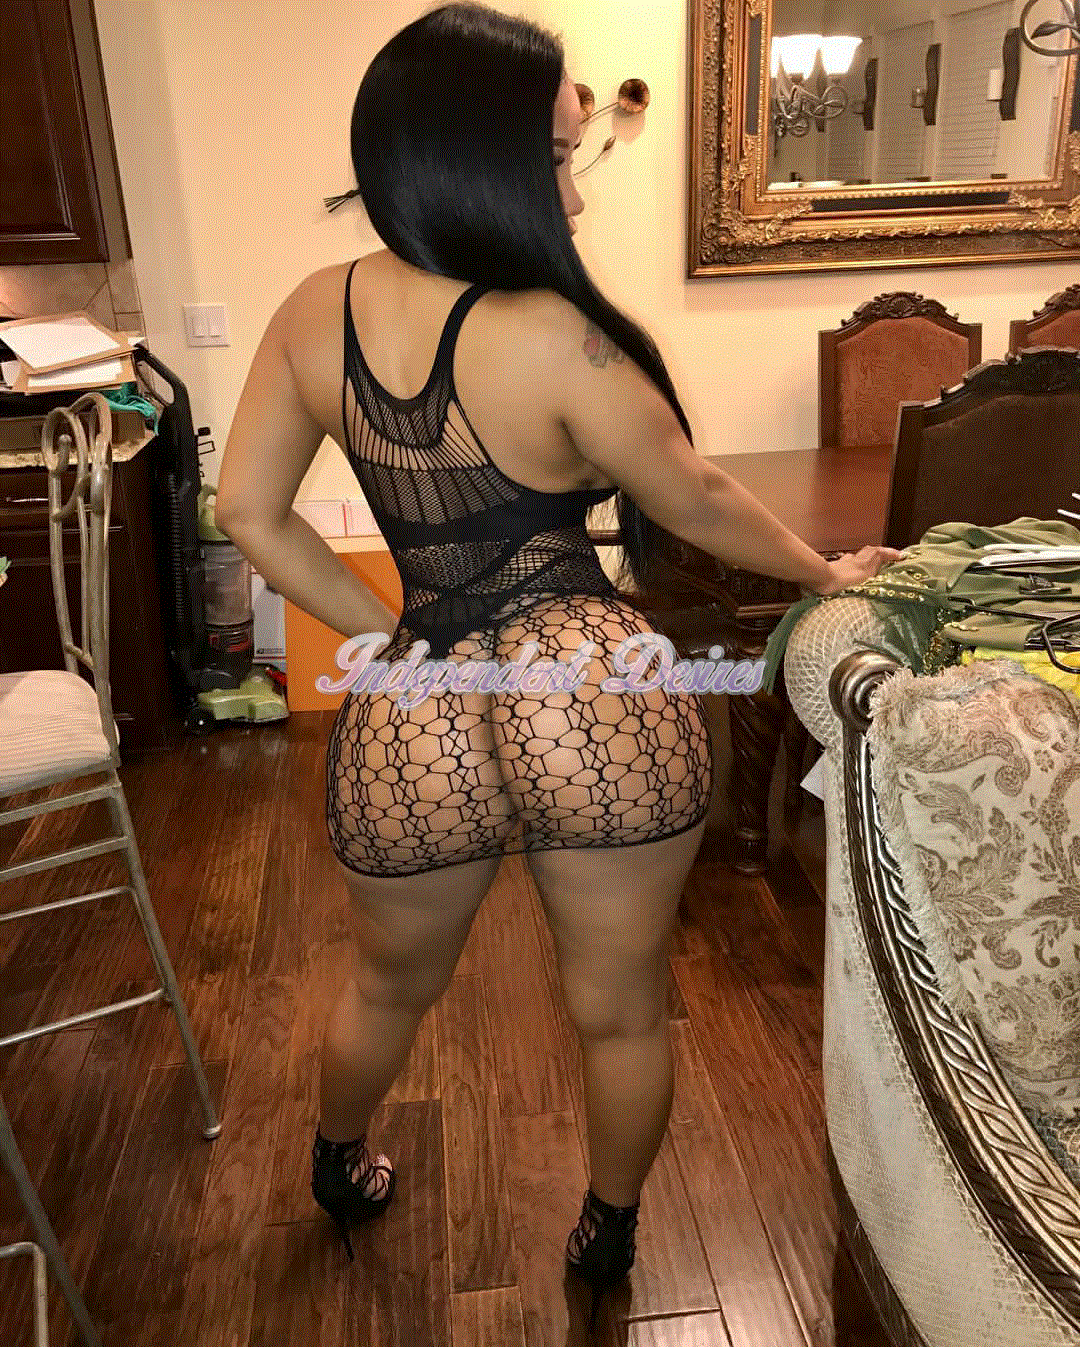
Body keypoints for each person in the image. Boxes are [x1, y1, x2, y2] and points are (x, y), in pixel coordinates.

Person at [214, 0, 902, 1327]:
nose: (573, 193)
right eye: (553, 157)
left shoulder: (314, 312)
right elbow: (694, 497)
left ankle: (337, 1167)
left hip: (420, 699)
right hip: (589, 689)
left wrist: (382, 637)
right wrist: (824, 575)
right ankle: (605, 1238)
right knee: (622, 1011)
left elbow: (247, 510)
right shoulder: (557, 334)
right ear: (474, 156)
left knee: (385, 985)